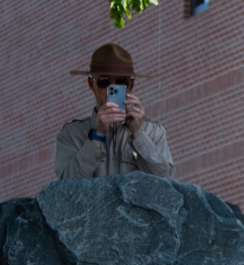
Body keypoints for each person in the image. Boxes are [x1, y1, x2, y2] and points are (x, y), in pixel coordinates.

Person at [55, 43, 175, 180]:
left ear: (131, 85)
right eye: (104, 81)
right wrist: (97, 135)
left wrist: (138, 134)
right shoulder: (72, 133)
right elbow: (67, 184)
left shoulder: (153, 132)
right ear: (91, 84)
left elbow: (166, 180)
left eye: (121, 81)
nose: (111, 88)